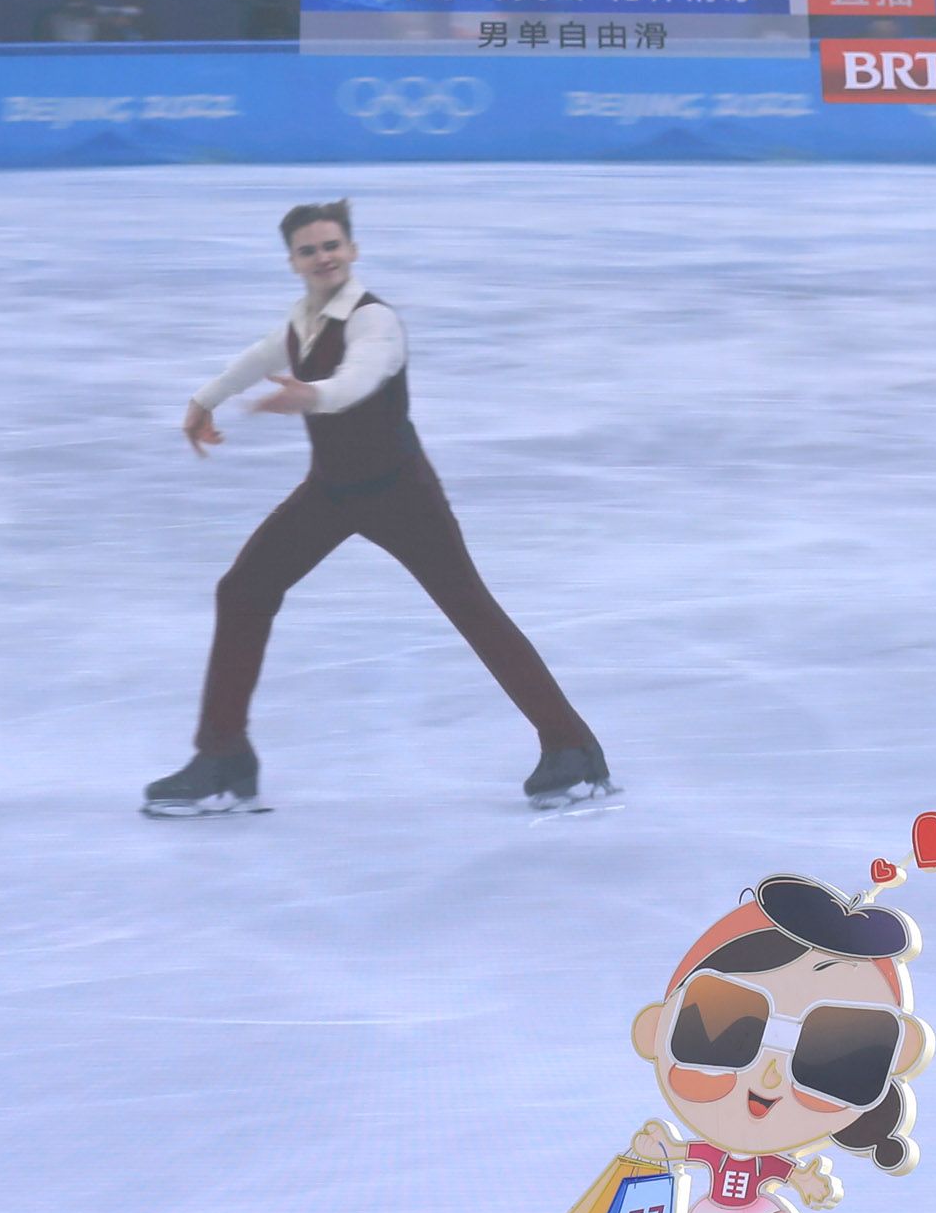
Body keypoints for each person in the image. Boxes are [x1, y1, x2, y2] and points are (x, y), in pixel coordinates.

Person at [147, 199, 610, 818]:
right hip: (331, 492)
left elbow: (361, 379)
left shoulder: (375, 322)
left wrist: (313, 394)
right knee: (244, 589)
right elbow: (260, 357)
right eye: (309, 250)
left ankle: (572, 746)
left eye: (332, 245)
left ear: (353, 250)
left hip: (400, 494)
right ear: (292, 261)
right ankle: (223, 757)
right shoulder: (303, 320)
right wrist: (205, 400)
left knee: (470, 608)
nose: (323, 257)